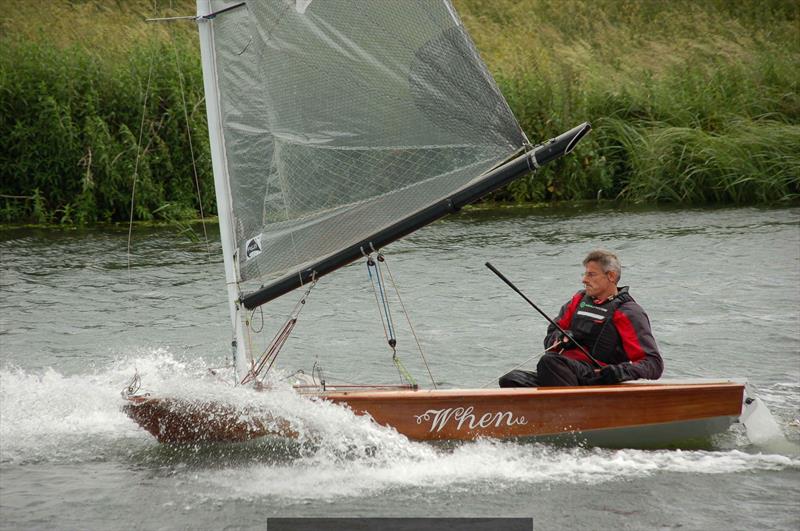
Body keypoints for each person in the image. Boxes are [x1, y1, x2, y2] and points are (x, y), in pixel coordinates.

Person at [499, 249, 663, 387]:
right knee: (510, 380)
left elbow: (653, 364)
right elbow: (550, 339)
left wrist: (619, 372)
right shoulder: (577, 301)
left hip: (596, 378)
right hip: (562, 373)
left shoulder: (628, 312)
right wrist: (560, 337)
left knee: (549, 362)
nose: (584, 280)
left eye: (591, 274)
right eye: (585, 274)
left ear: (611, 276)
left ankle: (572, 418)